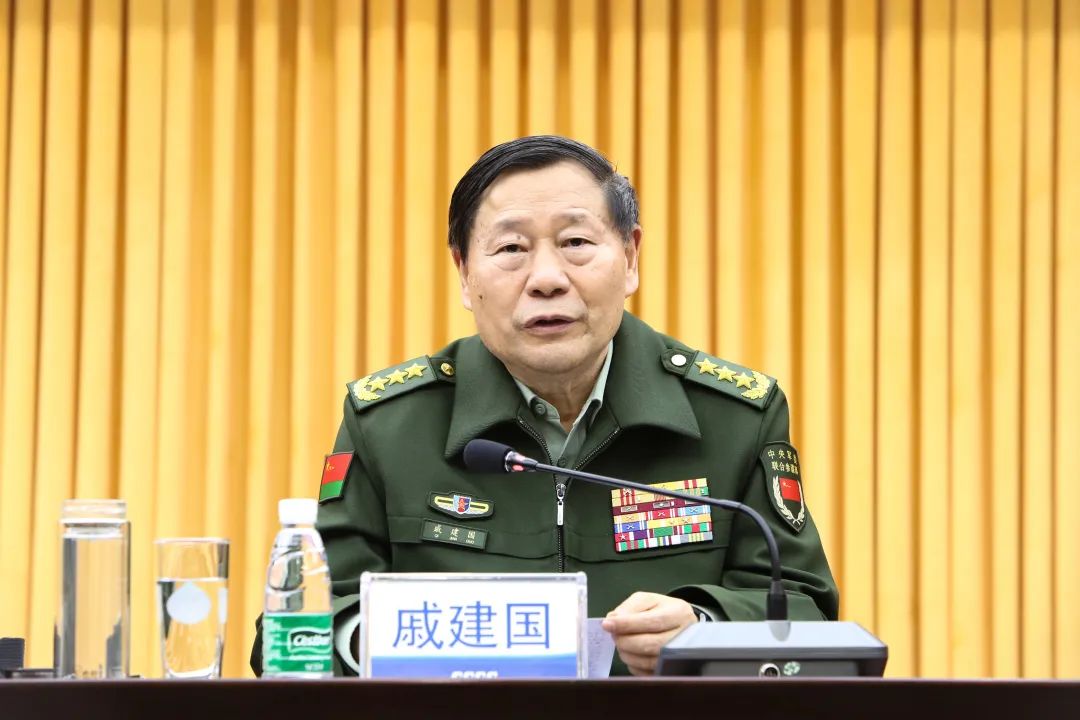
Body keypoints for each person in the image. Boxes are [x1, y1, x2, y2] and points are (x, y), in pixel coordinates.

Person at [249, 135, 838, 677]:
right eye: (511, 248)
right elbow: (295, 633)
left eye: (576, 243)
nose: (547, 278)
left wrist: (704, 631)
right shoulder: (390, 425)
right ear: (464, 273)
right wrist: (409, 641)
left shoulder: (733, 417)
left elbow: (806, 614)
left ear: (630, 257)